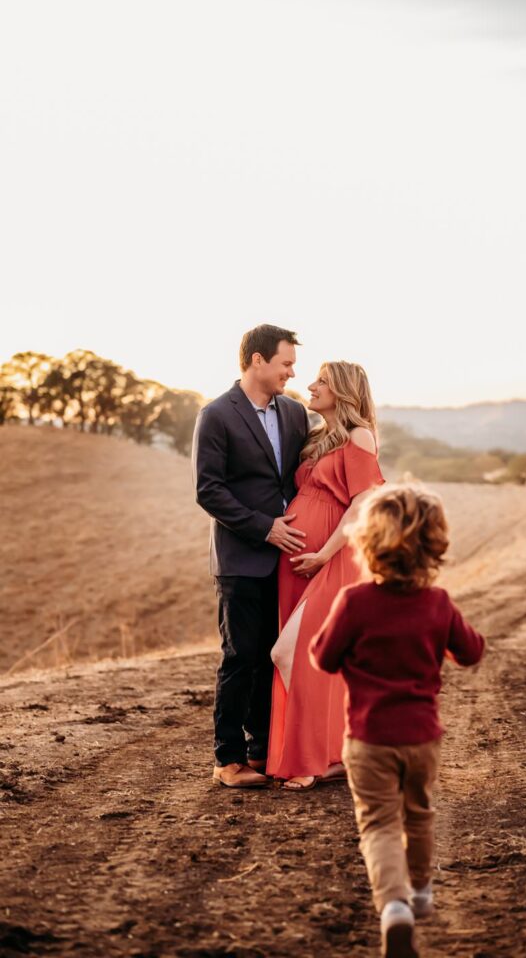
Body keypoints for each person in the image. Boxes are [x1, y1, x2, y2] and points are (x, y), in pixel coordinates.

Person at [310, 484, 485, 958]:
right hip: (423, 738)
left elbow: (323, 659)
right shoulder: (439, 603)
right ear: (434, 545)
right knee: (419, 811)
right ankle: (422, 891)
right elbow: (471, 652)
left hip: (368, 739)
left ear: (366, 544)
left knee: (380, 825)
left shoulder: (354, 602)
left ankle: (394, 908)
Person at [192, 324, 309, 789]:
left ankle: (264, 752)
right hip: (241, 557)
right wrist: (265, 528)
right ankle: (228, 760)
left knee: (272, 658)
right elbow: (209, 491)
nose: (291, 372)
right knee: (240, 657)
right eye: (285, 363)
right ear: (257, 361)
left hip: (287, 560)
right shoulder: (217, 415)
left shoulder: (297, 414)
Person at [266, 361, 384, 790]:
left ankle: (312, 756)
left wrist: (322, 555)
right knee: (311, 658)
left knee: (294, 652)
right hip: (297, 561)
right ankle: (335, 757)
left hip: (332, 558)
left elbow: (361, 505)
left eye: (322, 381)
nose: (311, 386)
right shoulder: (317, 439)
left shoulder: (359, 435)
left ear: (345, 392)